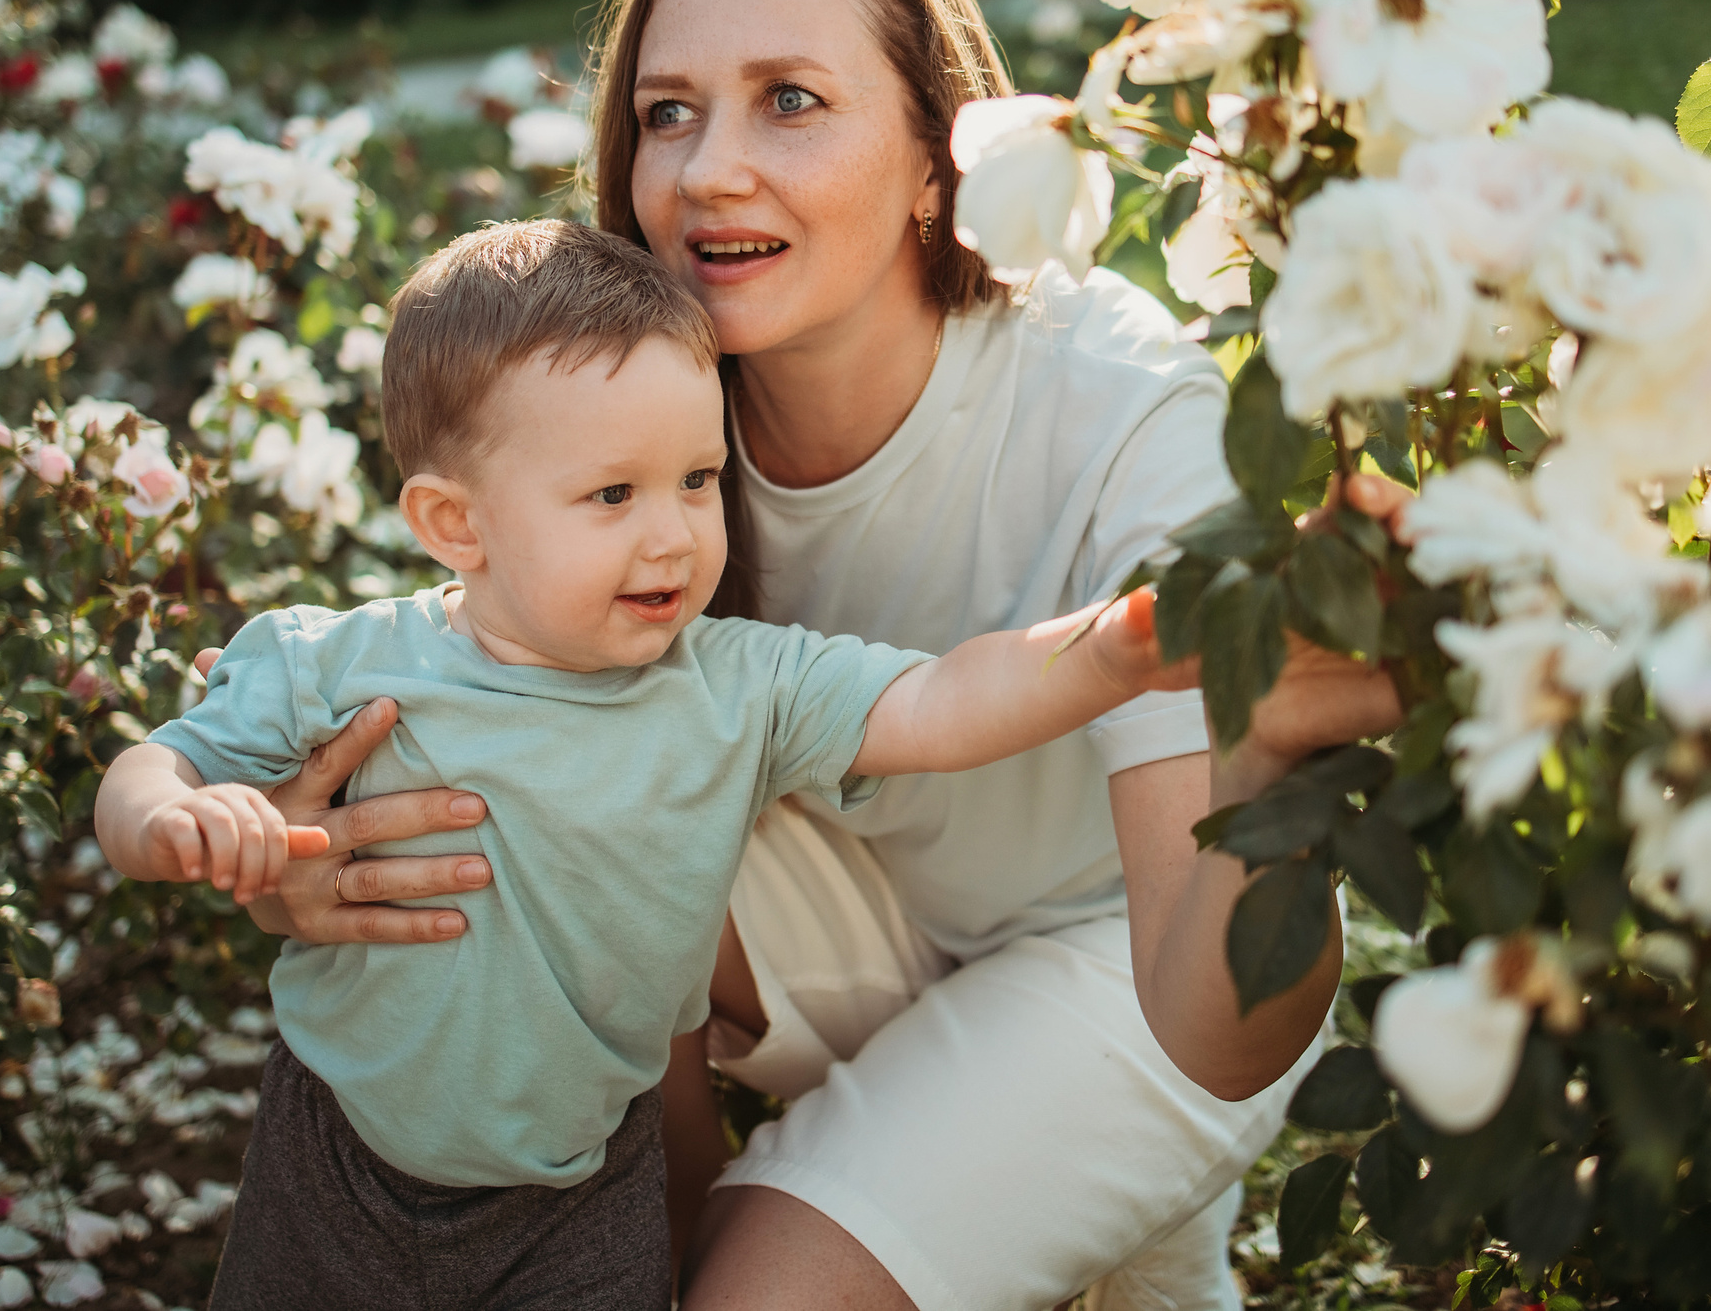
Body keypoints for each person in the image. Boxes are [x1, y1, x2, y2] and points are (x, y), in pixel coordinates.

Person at [186, 0, 1403, 1311]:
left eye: (792, 99)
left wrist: (1264, 752)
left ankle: (1120, 1197)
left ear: (942, 156)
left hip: (1130, 958)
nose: (706, 170)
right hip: (853, 909)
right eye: (668, 111)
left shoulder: (1122, 408)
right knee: (549, 784)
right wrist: (304, 867)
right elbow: (474, 716)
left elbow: (1217, 1026)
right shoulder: (644, 421)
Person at [99, 220, 1197, 1309]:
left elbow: (940, 702)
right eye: (612, 496)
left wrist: (1106, 652)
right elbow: (151, 770)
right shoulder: (344, 664)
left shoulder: (736, 687)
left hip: (585, 1190)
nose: (671, 535)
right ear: (455, 524)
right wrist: (173, 823)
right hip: (342, 1158)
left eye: (697, 478)